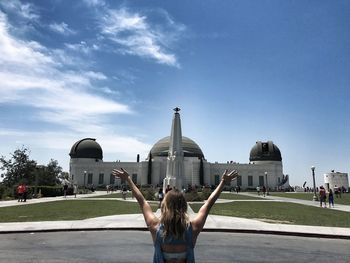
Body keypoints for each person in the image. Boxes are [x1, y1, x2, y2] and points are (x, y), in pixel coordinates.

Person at [112, 168, 238, 263]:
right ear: (184, 206)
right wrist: (222, 183)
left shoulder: (155, 227)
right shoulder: (193, 229)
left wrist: (128, 179)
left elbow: (142, 201)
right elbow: (209, 203)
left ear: (164, 206)